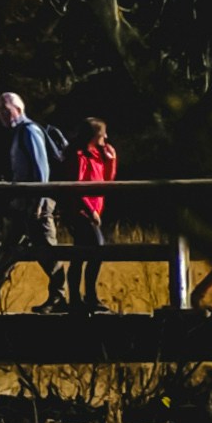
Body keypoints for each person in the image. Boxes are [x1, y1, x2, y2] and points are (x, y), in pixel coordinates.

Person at [0, 86, 58, 309]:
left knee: (46, 249)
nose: (1, 116)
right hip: (23, 203)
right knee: (8, 247)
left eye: (5, 111)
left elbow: (41, 170)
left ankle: (59, 296)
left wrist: (38, 202)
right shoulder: (18, 133)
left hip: (35, 203)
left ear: (18, 109)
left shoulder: (29, 131)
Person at [66, 111, 118, 312]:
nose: (106, 138)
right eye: (103, 134)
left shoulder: (96, 156)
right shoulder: (79, 156)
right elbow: (76, 186)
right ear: (95, 135)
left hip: (94, 209)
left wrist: (110, 159)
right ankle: (86, 296)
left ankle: (81, 298)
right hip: (81, 212)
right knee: (96, 248)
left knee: (82, 252)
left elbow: (107, 180)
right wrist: (90, 210)